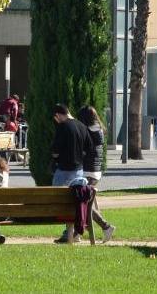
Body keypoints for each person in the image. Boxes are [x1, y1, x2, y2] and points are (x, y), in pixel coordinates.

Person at [50, 104, 91, 244]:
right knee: (76, 201)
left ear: (58, 115)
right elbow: (89, 147)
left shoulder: (62, 126)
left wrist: (55, 159)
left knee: (61, 201)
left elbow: (55, 149)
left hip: (63, 169)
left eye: (56, 118)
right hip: (79, 170)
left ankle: (68, 232)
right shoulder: (82, 126)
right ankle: (73, 232)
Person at [79, 105, 116, 243]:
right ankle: (79, 231)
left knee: (83, 202)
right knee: (85, 201)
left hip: (87, 170)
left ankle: (105, 226)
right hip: (96, 170)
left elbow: (84, 151)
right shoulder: (98, 129)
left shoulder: (87, 131)